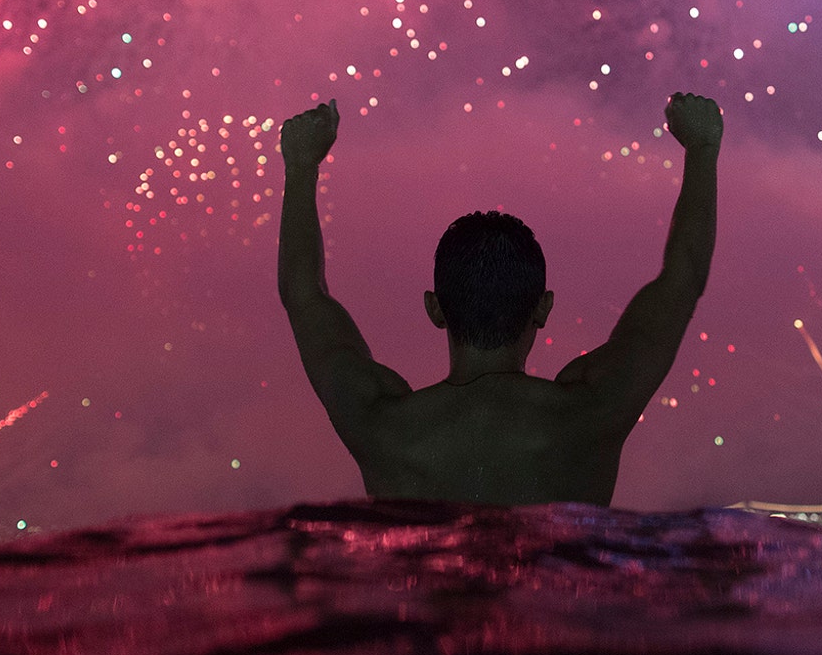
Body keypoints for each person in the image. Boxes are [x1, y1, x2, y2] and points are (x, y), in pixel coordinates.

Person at [277, 93, 721, 506]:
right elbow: (683, 278)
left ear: (434, 308)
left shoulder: (385, 426)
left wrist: (301, 165)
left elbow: (302, 293)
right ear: (543, 307)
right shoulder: (590, 413)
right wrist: (701, 149)